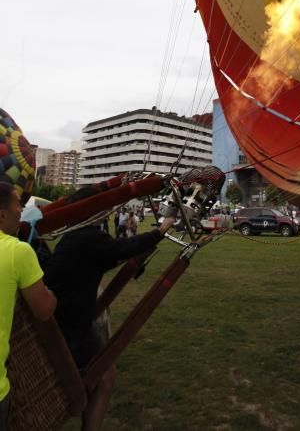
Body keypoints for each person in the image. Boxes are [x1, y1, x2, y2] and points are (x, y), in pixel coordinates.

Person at [44, 215, 175, 431]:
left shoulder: (72, 239)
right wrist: (158, 232)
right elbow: (119, 249)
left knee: (100, 375)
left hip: (68, 322)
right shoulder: (88, 238)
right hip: (70, 327)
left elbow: (111, 256)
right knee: (103, 375)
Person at [0, 182, 57, 430]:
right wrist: (52, 294)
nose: (21, 212)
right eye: (18, 207)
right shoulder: (18, 252)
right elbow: (44, 309)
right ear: (2, 214)